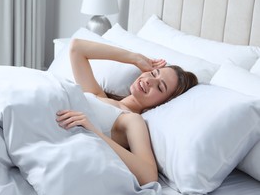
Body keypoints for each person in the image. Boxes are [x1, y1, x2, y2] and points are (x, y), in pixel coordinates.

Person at [56, 39, 198, 186]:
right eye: (154, 73)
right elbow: (77, 48)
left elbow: (149, 176)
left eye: (160, 87)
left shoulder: (132, 120)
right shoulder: (98, 94)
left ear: (163, 104)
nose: (150, 81)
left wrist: (93, 131)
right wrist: (135, 58)